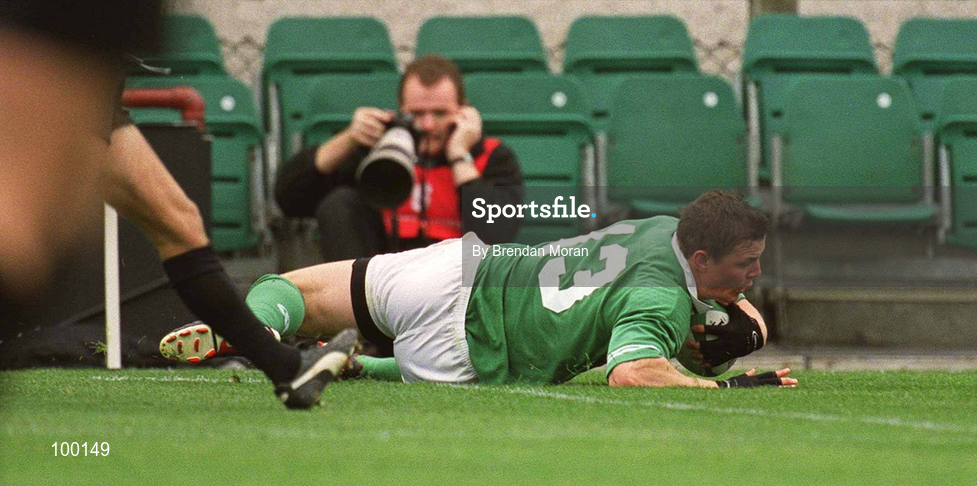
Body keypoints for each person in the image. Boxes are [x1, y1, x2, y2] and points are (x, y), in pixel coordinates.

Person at [1, 0, 351, 410]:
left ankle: (287, 369)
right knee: (20, 238)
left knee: (176, 222)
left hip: (85, 87)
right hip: (47, 65)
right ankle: (286, 368)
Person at [163, 190, 797, 389]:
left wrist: (721, 304)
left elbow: (686, 287)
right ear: (704, 258)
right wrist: (719, 381)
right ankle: (354, 367)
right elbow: (634, 372)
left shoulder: (666, 228)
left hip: (459, 269)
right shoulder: (660, 302)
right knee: (396, 372)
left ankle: (255, 329)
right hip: (465, 350)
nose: (755, 277)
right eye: (747, 265)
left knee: (292, 288)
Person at [275, 54, 524, 262]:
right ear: (400, 109)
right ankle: (351, 319)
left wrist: (460, 156)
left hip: (457, 283)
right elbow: (290, 199)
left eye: (440, 113)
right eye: (416, 114)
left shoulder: (492, 156)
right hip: (381, 283)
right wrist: (349, 138)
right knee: (340, 202)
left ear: (463, 110)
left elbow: (498, 234)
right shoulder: (378, 151)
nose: (427, 125)